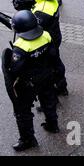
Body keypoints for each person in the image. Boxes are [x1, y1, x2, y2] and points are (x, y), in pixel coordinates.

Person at [3, 10, 60, 151]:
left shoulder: (21, 47)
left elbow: (15, 70)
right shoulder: (46, 35)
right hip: (47, 76)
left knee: (22, 112)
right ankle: (53, 125)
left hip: (29, 83)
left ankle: (28, 140)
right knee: (48, 101)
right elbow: (54, 55)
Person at [26, 0, 68, 96]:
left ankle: (53, 93)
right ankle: (62, 87)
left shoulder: (42, 11)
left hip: (47, 40)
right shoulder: (51, 1)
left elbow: (34, 27)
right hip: (55, 35)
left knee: (49, 66)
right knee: (56, 63)